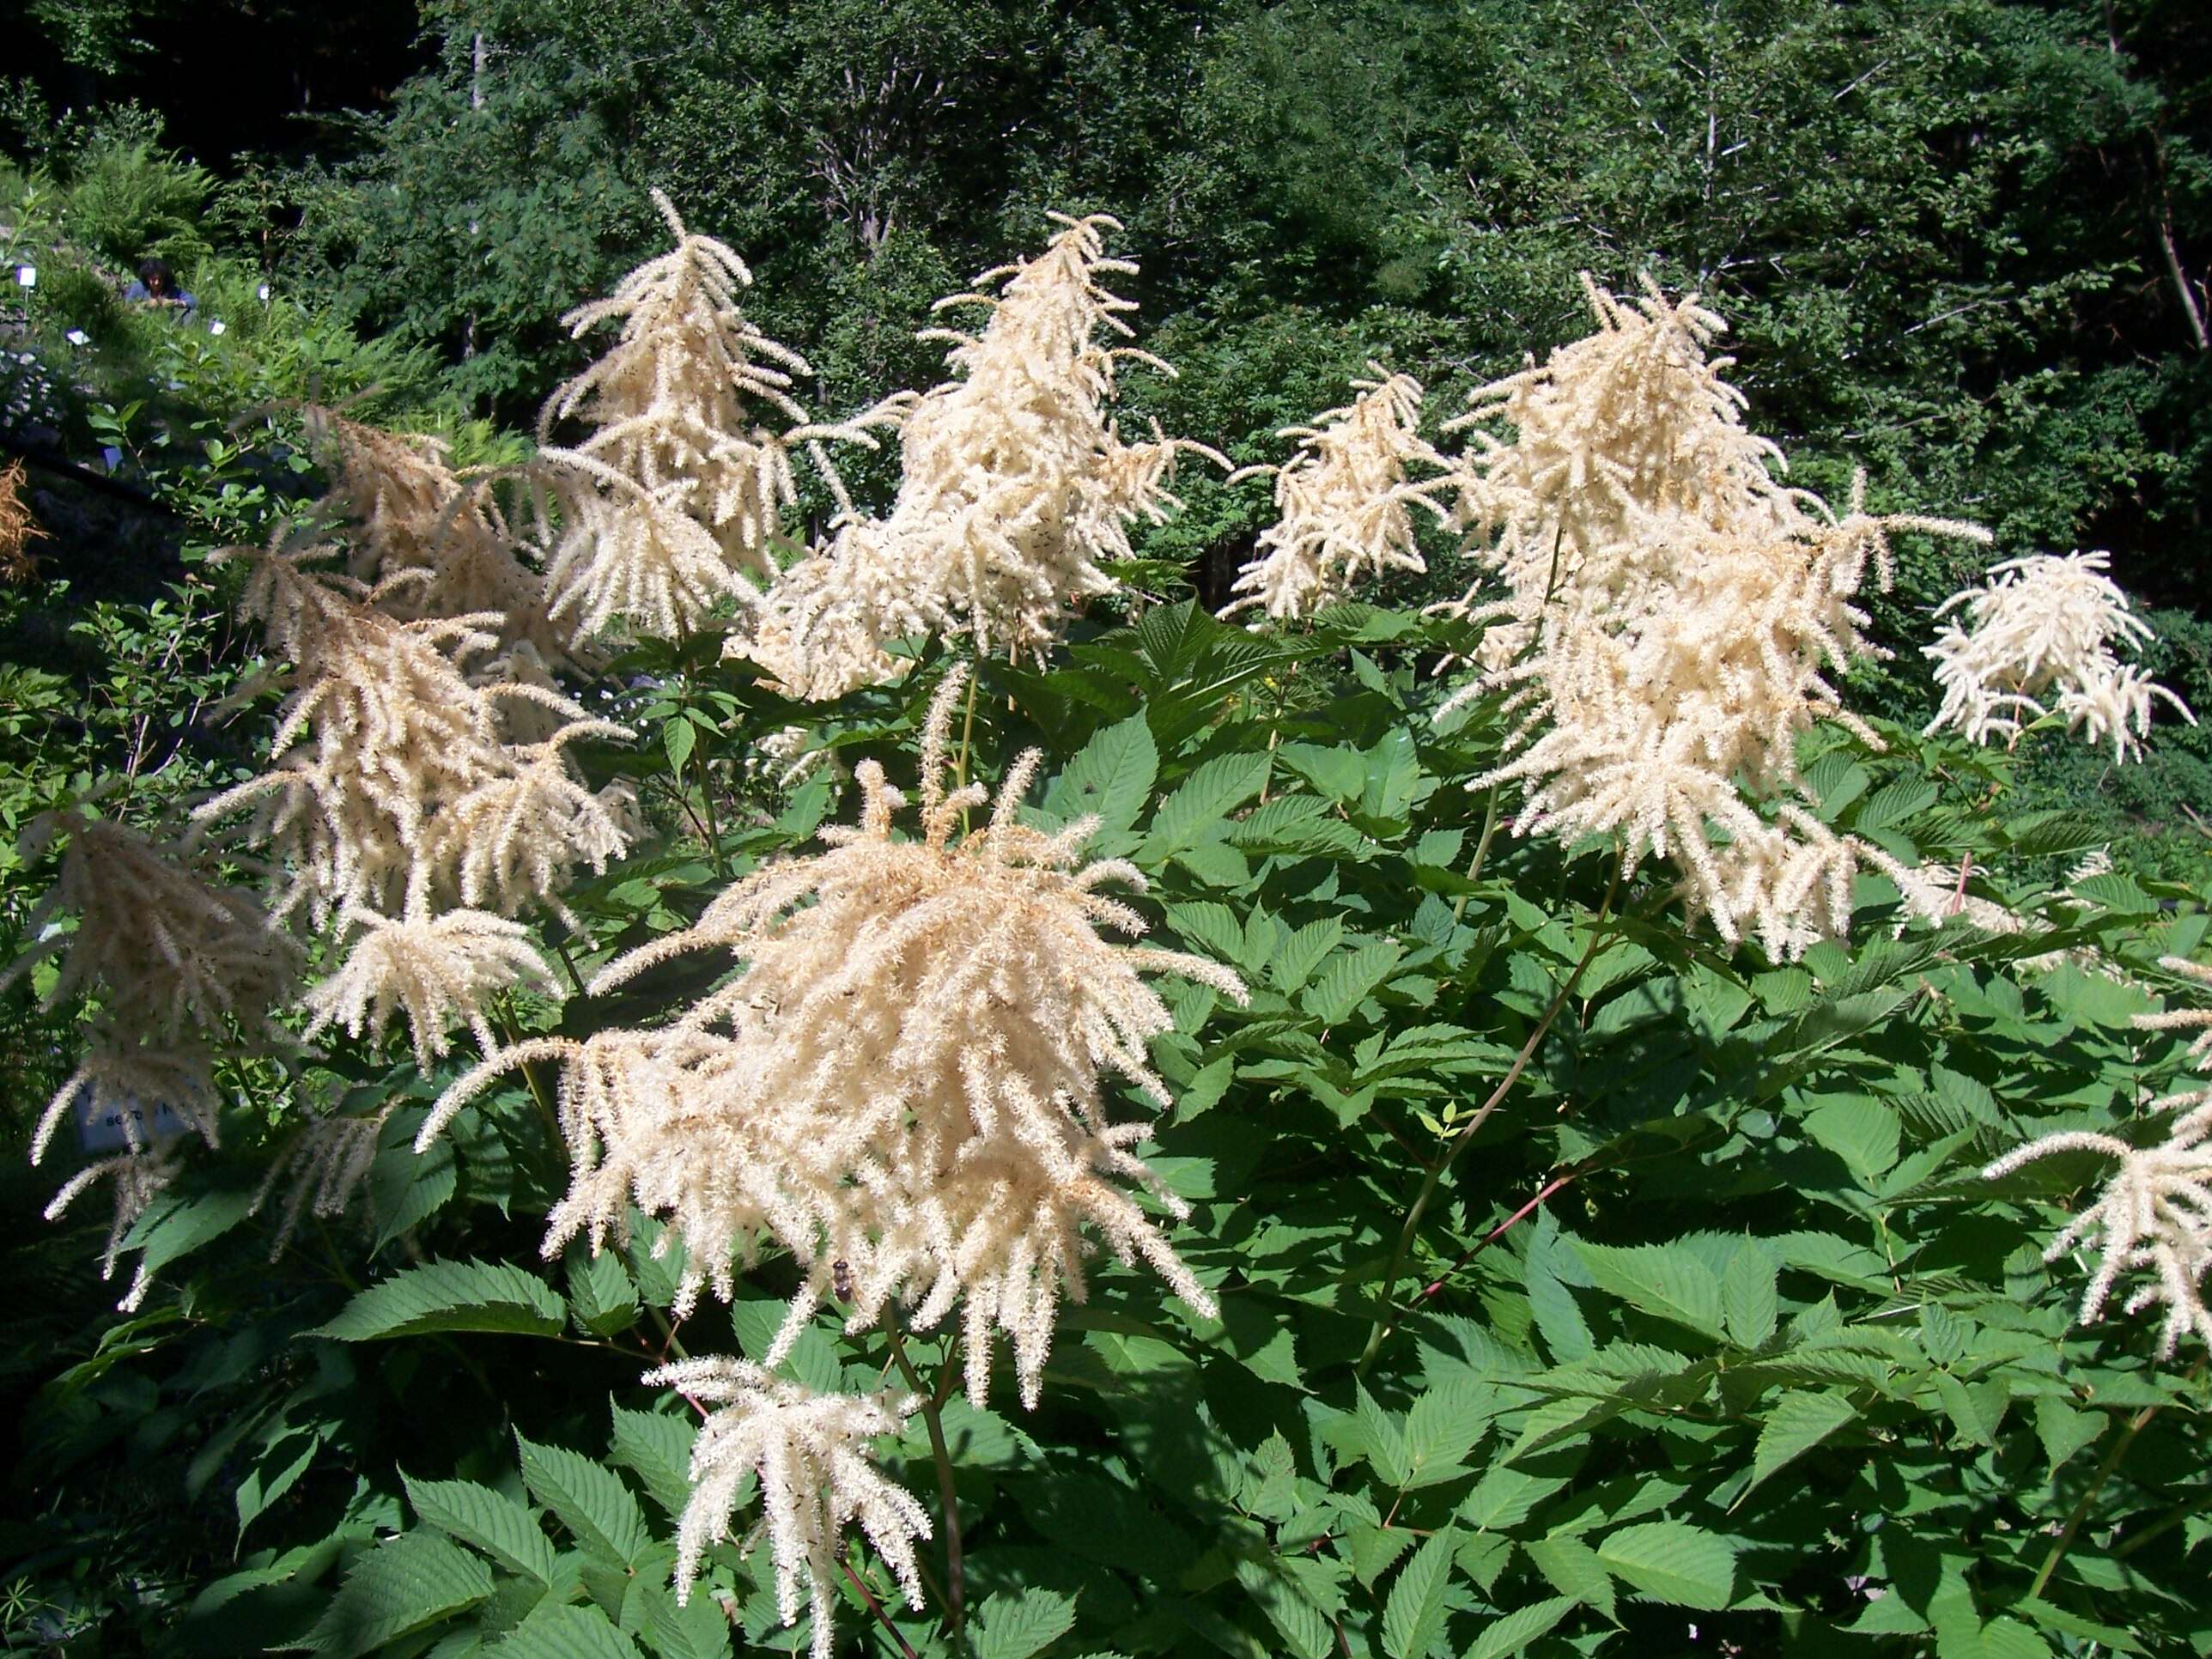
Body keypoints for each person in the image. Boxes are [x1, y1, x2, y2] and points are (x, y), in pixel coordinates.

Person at [124, 258, 197, 317]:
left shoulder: (171, 290)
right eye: (153, 279)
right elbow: (127, 308)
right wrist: (146, 305)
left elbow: (194, 301)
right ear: (147, 278)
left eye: (160, 279)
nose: (157, 283)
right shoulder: (138, 288)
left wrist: (175, 302)